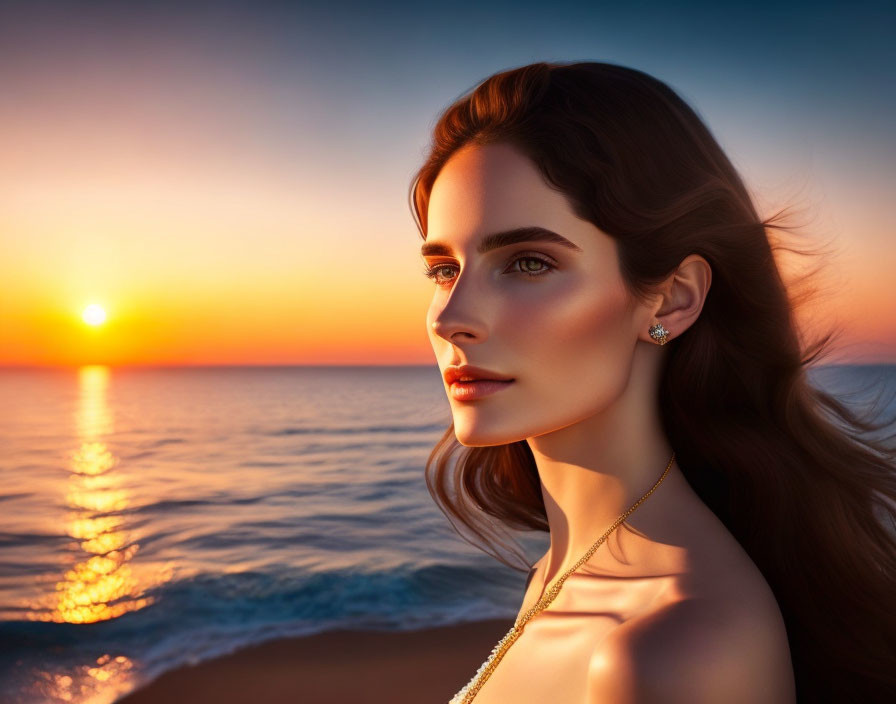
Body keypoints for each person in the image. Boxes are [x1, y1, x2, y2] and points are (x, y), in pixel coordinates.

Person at [408, 61, 896, 703]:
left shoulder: (671, 652)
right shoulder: (564, 571)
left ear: (670, 300)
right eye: (444, 269)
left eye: (529, 262)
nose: (451, 318)